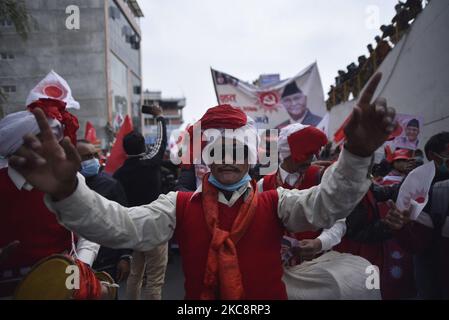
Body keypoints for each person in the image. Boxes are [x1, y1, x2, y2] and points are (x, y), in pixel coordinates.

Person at [10, 73, 397, 300]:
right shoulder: (177, 205)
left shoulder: (277, 202)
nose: (227, 158)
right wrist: (68, 193)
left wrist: (357, 155)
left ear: (251, 158)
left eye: (236, 150)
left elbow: (330, 205)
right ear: (205, 156)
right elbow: (119, 225)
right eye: (218, 149)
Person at [0, 73, 100, 299]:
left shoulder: (72, 181)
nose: (53, 149)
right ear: (19, 147)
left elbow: (91, 232)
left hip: (65, 285)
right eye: (43, 141)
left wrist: (79, 268)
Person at [258, 123, 377, 299]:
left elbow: (339, 222)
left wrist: (319, 243)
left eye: (314, 152)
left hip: (319, 267)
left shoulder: (321, 176)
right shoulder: (263, 185)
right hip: (281, 272)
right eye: (305, 153)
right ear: (286, 153)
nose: (311, 158)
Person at [113, 105, 169, 300]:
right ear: (145, 146)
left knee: (135, 275)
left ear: (124, 149)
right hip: (156, 226)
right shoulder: (151, 162)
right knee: (154, 279)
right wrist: (160, 117)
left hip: (134, 228)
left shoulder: (119, 174)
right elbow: (162, 141)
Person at [76, 140, 132, 289]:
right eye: (87, 156)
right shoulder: (65, 187)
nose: (93, 160)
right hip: (73, 264)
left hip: (107, 261)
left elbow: (125, 221)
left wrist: (125, 256)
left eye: (95, 155)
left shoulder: (111, 184)